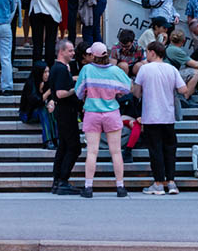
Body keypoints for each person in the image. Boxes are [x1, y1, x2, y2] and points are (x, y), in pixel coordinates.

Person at [74, 42, 131, 198]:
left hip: (92, 112)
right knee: (116, 151)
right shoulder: (114, 70)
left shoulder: (87, 69)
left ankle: (88, 187)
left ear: (93, 55)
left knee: (92, 151)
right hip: (111, 112)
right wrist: (116, 92)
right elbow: (127, 87)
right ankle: (120, 187)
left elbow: (79, 92)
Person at [133, 42, 187, 195]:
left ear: (152, 52)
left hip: (151, 116)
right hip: (168, 116)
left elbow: (137, 92)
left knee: (155, 150)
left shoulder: (144, 69)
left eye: (147, 52)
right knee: (170, 150)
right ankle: (171, 182)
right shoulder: (172, 69)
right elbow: (183, 89)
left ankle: (158, 183)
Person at [48, 39, 82, 195]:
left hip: (62, 112)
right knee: (74, 147)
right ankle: (63, 180)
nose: (73, 53)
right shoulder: (61, 69)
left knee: (63, 147)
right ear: (61, 52)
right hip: (66, 112)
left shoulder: (57, 68)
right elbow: (61, 93)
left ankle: (58, 181)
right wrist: (76, 89)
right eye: (70, 50)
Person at [19, 62, 57, 149]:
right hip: (28, 113)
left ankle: (56, 139)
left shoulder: (48, 82)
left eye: (48, 72)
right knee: (43, 110)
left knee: (51, 109)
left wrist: (52, 101)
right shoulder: (30, 84)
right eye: (44, 72)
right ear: (39, 72)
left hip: (44, 111)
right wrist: (48, 92)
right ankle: (48, 140)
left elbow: (53, 96)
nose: (47, 74)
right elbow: (35, 102)